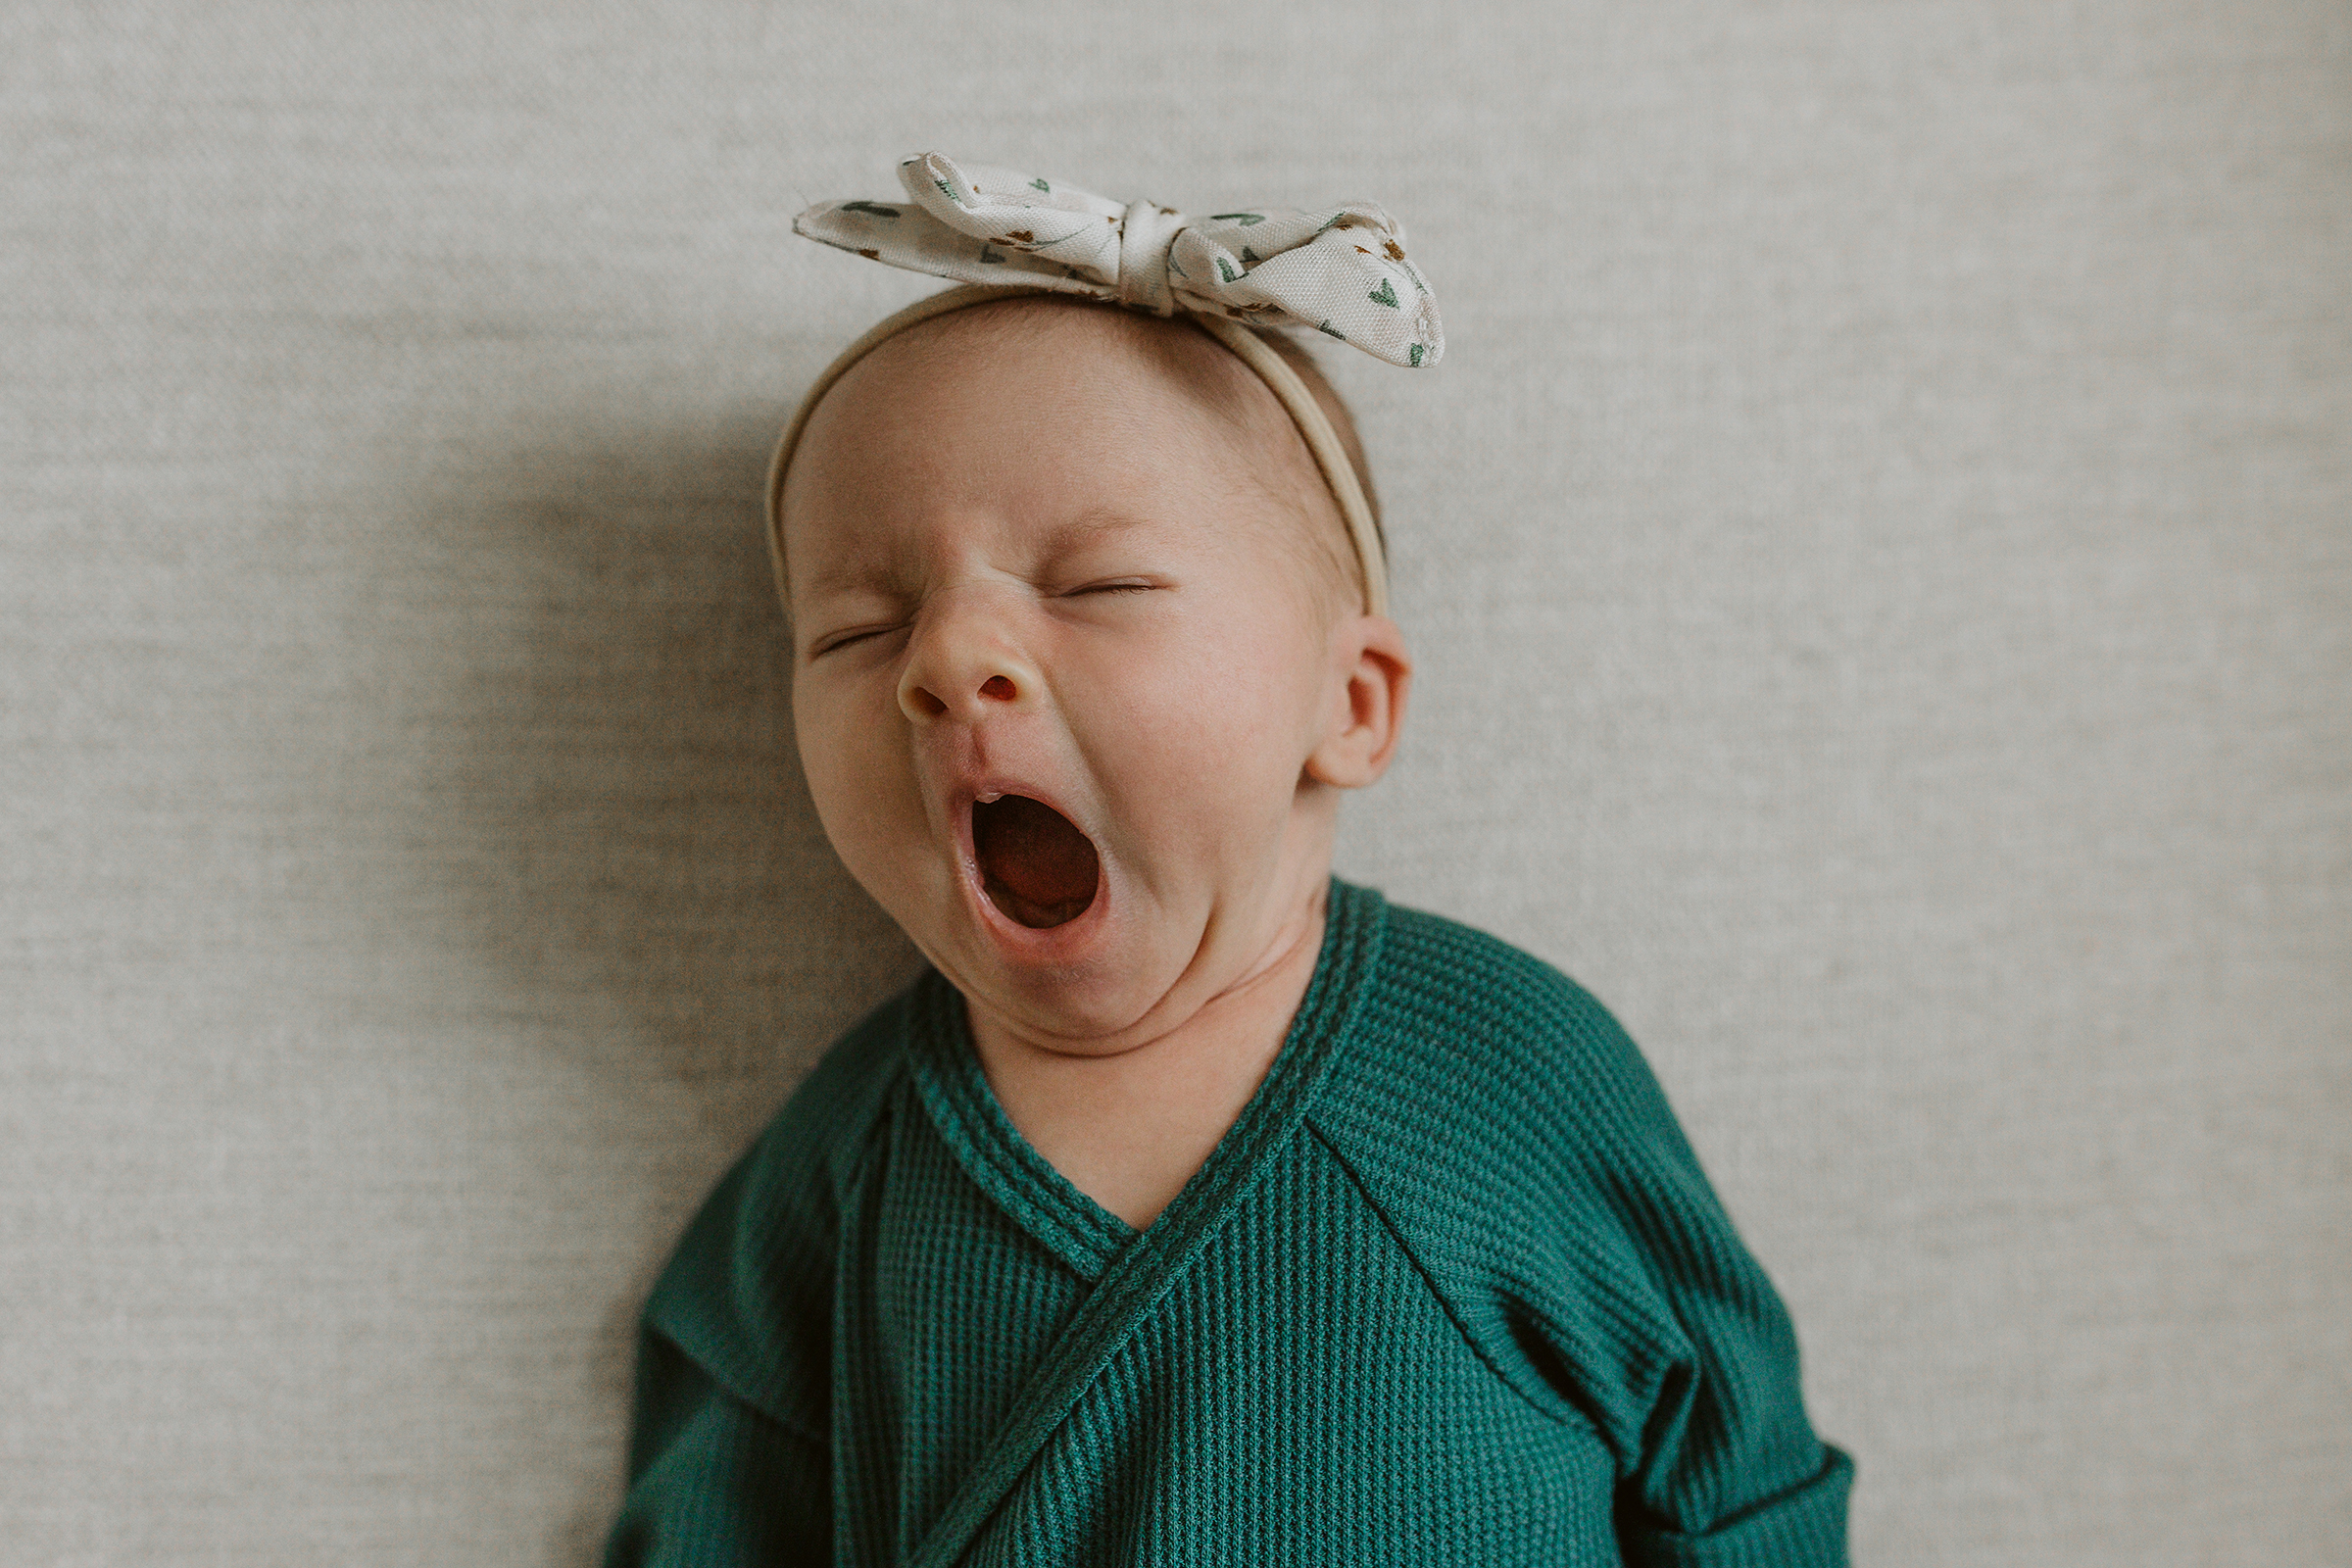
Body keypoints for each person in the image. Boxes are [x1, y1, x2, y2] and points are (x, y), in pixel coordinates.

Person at [604, 153, 1852, 1567]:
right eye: (857, 630)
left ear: (1350, 705)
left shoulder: (1507, 1078)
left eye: (1100, 587)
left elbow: (1741, 1492)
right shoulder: (854, 1164)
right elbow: (710, 1504)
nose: (948, 661)